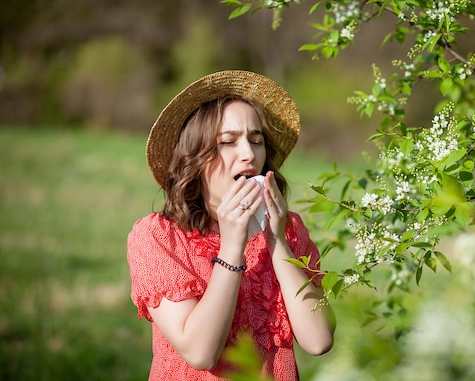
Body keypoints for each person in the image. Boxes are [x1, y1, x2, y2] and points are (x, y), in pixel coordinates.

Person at [127, 70, 335, 381]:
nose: (249, 154)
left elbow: (319, 340)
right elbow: (200, 353)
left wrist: (276, 240)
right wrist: (233, 245)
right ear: (195, 158)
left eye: (257, 140)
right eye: (228, 142)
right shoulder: (158, 237)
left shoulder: (289, 229)